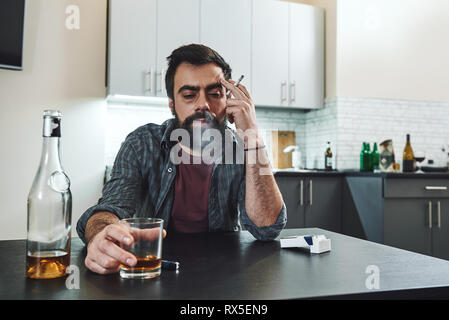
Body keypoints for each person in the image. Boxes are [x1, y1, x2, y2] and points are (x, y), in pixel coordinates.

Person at [76, 44, 287, 275]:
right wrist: (100, 234)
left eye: (215, 94)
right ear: (171, 104)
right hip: (154, 271)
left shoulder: (242, 148)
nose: (203, 104)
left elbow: (267, 229)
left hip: (225, 274)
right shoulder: (141, 144)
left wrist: (253, 134)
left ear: (228, 99)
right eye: (189, 95)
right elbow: (111, 208)